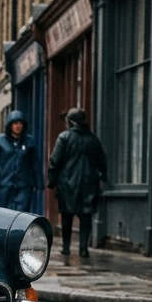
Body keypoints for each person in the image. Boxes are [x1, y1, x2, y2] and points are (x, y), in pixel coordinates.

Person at [47, 108, 107, 257]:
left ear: (71, 122)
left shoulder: (64, 137)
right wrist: (102, 177)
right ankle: (83, 248)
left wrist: (52, 180)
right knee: (85, 217)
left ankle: (66, 247)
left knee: (67, 216)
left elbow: (55, 160)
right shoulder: (93, 139)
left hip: (67, 184)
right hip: (89, 184)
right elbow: (102, 161)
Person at [0, 110, 41, 212]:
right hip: (3, 186)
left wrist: (38, 183)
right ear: (10, 125)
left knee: (22, 215)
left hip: (23, 186)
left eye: (20, 123)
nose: (18, 126)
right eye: (15, 123)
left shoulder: (29, 142)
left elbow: (35, 163)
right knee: (5, 215)